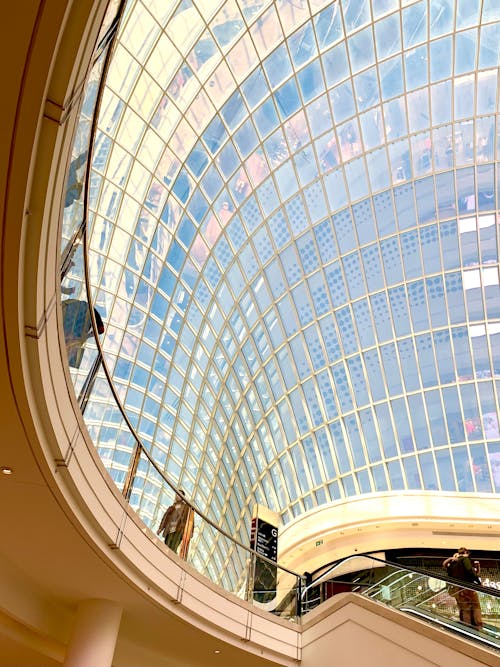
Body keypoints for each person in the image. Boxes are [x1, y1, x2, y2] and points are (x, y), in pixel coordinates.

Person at [443, 547, 483, 630]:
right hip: (468, 588)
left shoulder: (453, 563)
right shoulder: (465, 559)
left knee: (464, 608)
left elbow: (447, 570)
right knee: (476, 606)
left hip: (457, 589)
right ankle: (478, 625)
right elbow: (470, 571)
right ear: (466, 552)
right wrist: (479, 583)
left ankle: (466, 627)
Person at [157, 490, 194, 557]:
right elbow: (165, 518)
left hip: (179, 529)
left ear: (182, 497)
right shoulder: (172, 507)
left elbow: (190, 519)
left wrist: (190, 531)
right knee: (167, 545)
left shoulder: (186, 507)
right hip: (170, 528)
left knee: (174, 546)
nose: (177, 496)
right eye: (176, 494)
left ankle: (171, 558)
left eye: (179, 494)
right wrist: (161, 528)